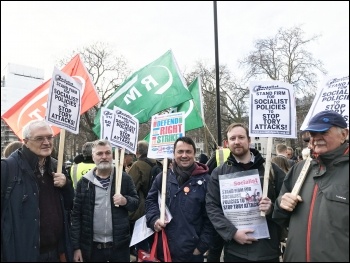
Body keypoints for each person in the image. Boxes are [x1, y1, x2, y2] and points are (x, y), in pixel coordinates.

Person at [273, 110, 349, 262]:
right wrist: (282, 203)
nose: (316, 138)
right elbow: (280, 218)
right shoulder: (299, 169)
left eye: (324, 132)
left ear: (344, 134)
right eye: (313, 134)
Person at [206, 123, 286, 262]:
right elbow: (212, 207)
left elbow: (286, 201)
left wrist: (272, 208)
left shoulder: (270, 170)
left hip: (267, 251)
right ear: (227, 143)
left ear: (249, 140)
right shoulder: (219, 173)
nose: (237, 141)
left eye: (241, 137)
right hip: (235, 251)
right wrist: (233, 233)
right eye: (232, 138)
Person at [1, 119, 74, 262]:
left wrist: (66, 186)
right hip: (21, 253)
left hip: (55, 252)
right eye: (40, 138)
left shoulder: (55, 167)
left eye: (49, 137)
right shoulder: (7, 168)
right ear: (26, 141)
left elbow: (69, 205)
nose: (46, 142)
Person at [145, 136, 215, 262]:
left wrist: (201, 247)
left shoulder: (206, 181)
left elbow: (211, 217)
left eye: (188, 151)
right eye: (180, 151)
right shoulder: (162, 178)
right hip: (164, 250)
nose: (184, 155)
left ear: (194, 154)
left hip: (191, 253)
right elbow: (150, 202)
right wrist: (154, 220)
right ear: (174, 154)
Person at [71, 139, 139, 262]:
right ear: (93, 157)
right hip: (92, 248)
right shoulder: (84, 182)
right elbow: (76, 216)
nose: (104, 157)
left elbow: (135, 204)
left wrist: (125, 201)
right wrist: (76, 247)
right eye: (99, 154)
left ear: (112, 155)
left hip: (119, 246)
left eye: (107, 153)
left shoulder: (123, 178)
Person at [127, 140, 158, 256]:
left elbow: (131, 187)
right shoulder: (156, 163)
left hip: (140, 209)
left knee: (141, 243)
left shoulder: (138, 165)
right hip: (155, 207)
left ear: (137, 151)